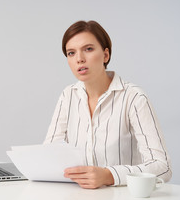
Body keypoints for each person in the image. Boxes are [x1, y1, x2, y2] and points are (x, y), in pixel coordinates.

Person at [44, 20, 172, 189]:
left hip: (123, 197)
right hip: (77, 197)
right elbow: (49, 154)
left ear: (105, 55)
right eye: (71, 53)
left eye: (88, 49)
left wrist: (109, 175)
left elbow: (163, 167)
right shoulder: (68, 95)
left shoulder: (134, 97)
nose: (79, 59)